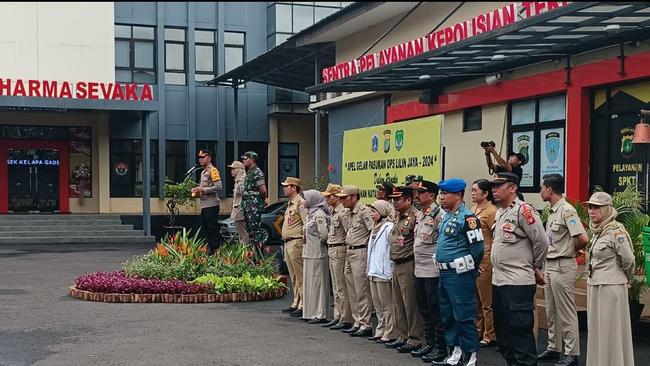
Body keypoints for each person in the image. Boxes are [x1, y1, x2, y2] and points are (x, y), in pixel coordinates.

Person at [491, 172, 548, 366]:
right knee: (504, 336)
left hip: (517, 283)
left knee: (520, 335)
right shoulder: (500, 211)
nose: (494, 190)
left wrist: (535, 266)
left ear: (513, 188)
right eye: (493, 186)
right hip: (499, 281)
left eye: (499, 186)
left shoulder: (524, 211)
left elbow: (541, 242)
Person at [538, 174, 588, 366]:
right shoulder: (552, 211)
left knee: (566, 311)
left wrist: (569, 250)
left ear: (550, 189)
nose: (541, 191)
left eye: (543, 188)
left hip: (562, 264)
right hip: (550, 265)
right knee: (551, 310)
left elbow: (582, 238)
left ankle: (571, 353)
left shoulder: (567, 211)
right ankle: (553, 347)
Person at [436, 178, 484, 366]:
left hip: (460, 274)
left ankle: (470, 354)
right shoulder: (447, 216)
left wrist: (470, 269)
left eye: (445, 194)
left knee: (464, 315)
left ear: (457, 195)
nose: (442, 197)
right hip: (444, 273)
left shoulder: (468, 218)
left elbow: (478, 248)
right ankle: (455, 350)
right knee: (448, 315)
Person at [585, 192, 635, 366]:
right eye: (590, 207)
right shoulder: (597, 231)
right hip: (595, 285)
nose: (591, 211)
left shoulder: (616, 231)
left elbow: (629, 260)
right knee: (598, 331)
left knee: (610, 331)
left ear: (607, 209)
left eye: (596, 207)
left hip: (611, 286)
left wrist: (626, 278)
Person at [411, 180, 448, 364]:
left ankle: (441, 348)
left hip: (433, 271)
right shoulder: (421, 214)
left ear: (431, 196)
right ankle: (430, 343)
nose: (417, 196)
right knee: (424, 308)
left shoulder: (439, 215)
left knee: (436, 311)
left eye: (421, 192)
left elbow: (442, 242)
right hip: (420, 269)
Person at [386, 186, 424, 354]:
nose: (394, 202)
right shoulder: (397, 216)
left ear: (408, 200)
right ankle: (402, 335)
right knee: (398, 303)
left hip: (408, 263)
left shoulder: (415, 217)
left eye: (398, 199)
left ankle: (414, 338)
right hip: (396, 263)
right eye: (393, 199)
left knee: (410, 304)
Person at [336, 185, 374, 337]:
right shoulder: (349, 213)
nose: (342, 201)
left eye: (345, 198)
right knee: (351, 289)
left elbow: (372, 231)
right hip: (349, 251)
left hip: (360, 251)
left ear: (353, 197)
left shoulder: (364, 212)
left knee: (361, 289)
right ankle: (357, 321)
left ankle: (366, 324)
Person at [470, 179, 498, 349]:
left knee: (486, 300)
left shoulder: (491, 211)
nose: (472, 193)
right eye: (472, 190)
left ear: (485, 193)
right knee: (476, 299)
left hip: (486, 259)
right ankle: (478, 330)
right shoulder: (473, 210)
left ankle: (490, 334)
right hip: (474, 258)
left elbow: (495, 237)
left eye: (475, 190)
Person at [321, 184, 352, 330]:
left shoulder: (343, 212)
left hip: (340, 248)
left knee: (341, 286)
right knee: (336, 287)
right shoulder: (333, 211)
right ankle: (337, 315)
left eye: (329, 196)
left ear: (336, 196)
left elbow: (348, 233)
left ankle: (345, 317)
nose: (326, 199)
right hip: (332, 249)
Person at [367, 200, 397, 344]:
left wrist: (388, 268)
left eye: (374, 211)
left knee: (387, 305)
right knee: (378, 304)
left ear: (382, 212)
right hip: (373, 270)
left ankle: (390, 331)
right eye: (371, 211)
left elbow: (390, 249)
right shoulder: (375, 227)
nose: (371, 214)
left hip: (384, 271)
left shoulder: (388, 227)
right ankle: (380, 328)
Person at [302, 189, 331, 324]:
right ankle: (309, 312)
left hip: (317, 254)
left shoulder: (319, 215)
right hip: (308, 253)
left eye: (306, 198)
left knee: (318, 284)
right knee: (310, 284)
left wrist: (320, 246)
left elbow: (324, 235)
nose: (304, 200)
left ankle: (320, 313)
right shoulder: (310, 214)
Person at [280, 177, 307, 319]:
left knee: (300, 275)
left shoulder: (301, 204)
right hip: (288, 242)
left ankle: (303, 304)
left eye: (287, 186)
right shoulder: (290, 204)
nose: (284, 188)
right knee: (293, 276)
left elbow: (306, 224)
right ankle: (296, 302)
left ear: (294, 188)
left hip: (296, 242)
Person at [192, 149, 222, 253]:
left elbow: (218, 187)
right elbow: (203, 186)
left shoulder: (212, 170)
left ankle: (215, 250)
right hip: (204, 205)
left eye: (203, 157)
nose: (200, 159)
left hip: (211, 204)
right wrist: (197, 190)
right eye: (199, 157)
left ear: (209, 158)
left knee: (212, 228)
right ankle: (211, 249)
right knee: (206, 228)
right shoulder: (203, 171)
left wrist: (203, 189)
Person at [241, 151, 268, 247]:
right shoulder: (250, 172)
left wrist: (261, 200)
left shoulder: (257, 172)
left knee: (256, 231)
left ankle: (259, 256)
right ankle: (253, 255)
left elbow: (263, 190)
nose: (243, 160)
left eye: (245, 158)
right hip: (248, 206)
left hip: (254, 206)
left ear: (252, 160)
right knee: (250, 232)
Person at [228, 160, 248, 244]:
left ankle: (245, 253)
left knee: (243, 233)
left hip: (241, 210)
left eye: (233, 169)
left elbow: (246, 196)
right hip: (237, 210)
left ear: (239, 170)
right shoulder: (237, 182)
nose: (231, 171)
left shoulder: (242, 182)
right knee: (241, 233)